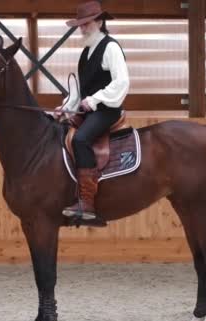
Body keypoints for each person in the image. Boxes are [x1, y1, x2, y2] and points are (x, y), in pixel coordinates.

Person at [55, 1, 130, 222]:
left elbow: (121, 82)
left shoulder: (111, 48)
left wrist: (96, 100)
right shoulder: (86, 53)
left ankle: (87, 202)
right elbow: (79, 91)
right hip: (91, 109)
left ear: (99, 22)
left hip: (108, 110)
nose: (82, 29)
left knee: (80, 139)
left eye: (86, 24)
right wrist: (65, 107)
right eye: (80, 25)